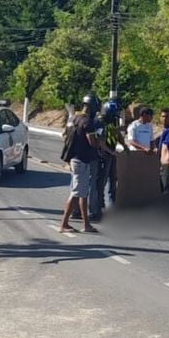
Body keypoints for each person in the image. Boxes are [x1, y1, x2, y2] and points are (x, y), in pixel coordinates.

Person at [60, 94, 100, 233]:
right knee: (76, 192)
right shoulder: (87, 122)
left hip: (74, 159)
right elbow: (92, 142)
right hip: (81, 160)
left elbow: (64, 135)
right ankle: (64, 224)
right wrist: (98, 140)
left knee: (82, 193)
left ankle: (86, 224)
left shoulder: (75, 118)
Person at [96, 99, 128, 209]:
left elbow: (116, 133)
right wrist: (111, 152)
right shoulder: (100, 122)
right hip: (103, 154)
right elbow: (100, 141)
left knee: (113, 179)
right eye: (115, 113)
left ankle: (113, 204)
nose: (116, 115)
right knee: (102, 181)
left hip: (112, 153)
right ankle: (99, 203)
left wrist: (124, 144)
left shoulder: (113, 121)